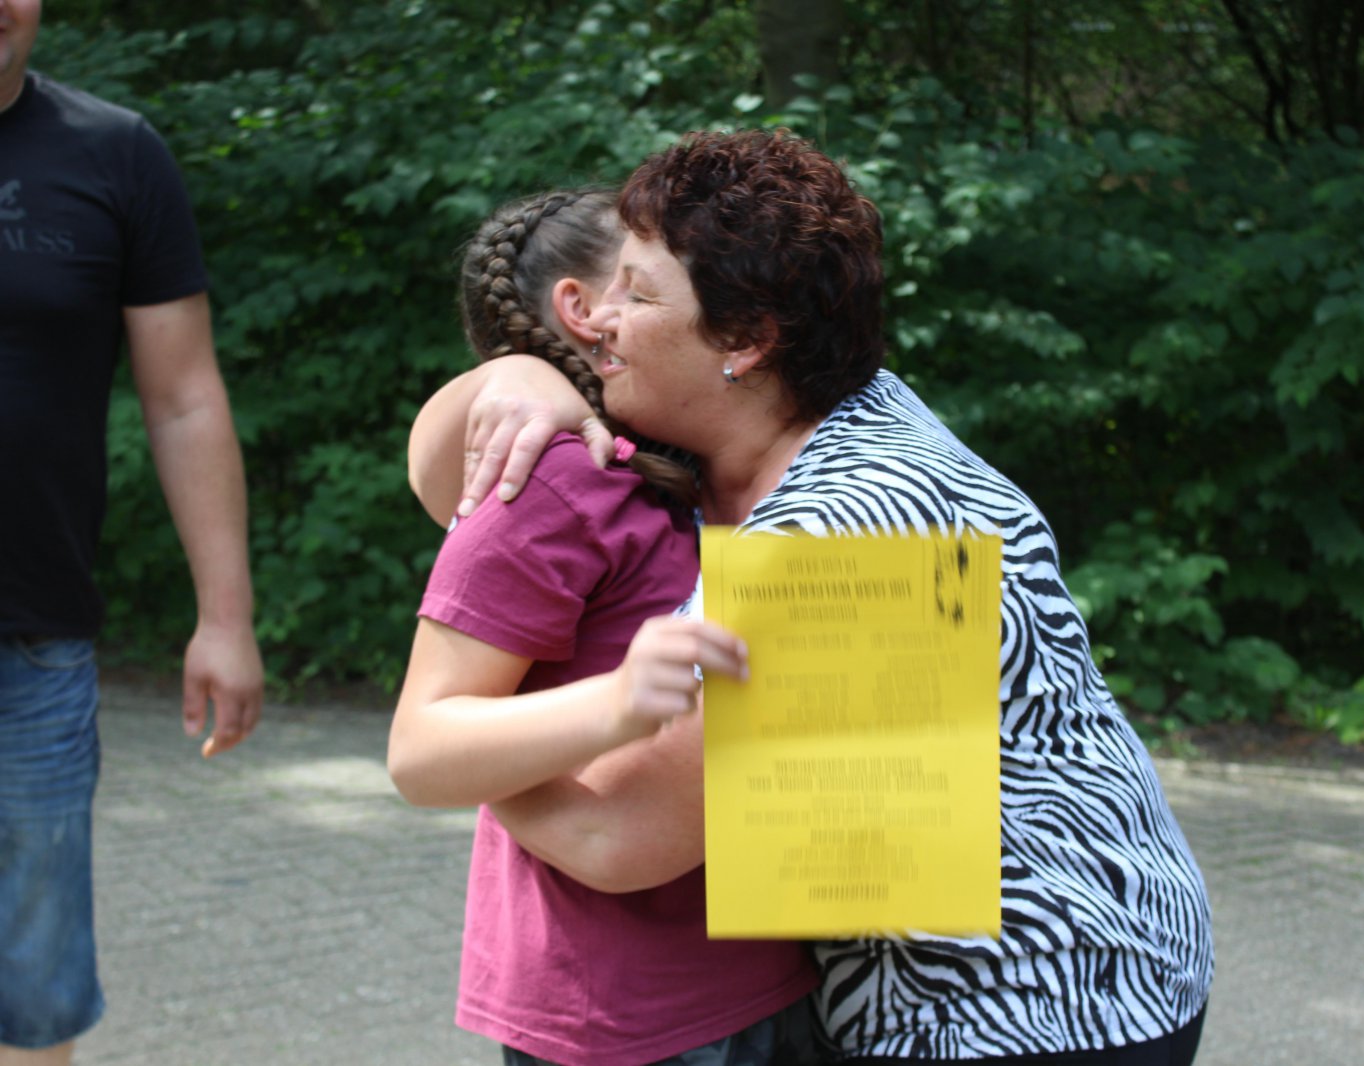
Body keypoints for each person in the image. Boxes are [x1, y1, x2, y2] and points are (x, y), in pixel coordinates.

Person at [409, 129, 1214, 1064]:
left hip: (1027, 1001)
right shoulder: (812, 407)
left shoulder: (853, 529)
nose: (600, 323)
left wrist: (466, 738)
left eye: (638, 293)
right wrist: (509, 378)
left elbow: (615, 835)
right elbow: (453, 488)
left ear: (747, 341)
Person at [388, 187, 818, 1065]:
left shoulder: (698, 454)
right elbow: (420, 752)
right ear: (584, 311)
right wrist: (618, 704)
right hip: (625, 1011)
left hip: (776, 970)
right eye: (640, 274)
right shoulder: (552, 476)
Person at [0, 2, 263, 1061]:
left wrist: (226, 616)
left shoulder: (112, 152)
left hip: (34, 637)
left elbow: (184, 397)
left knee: (35, 984)